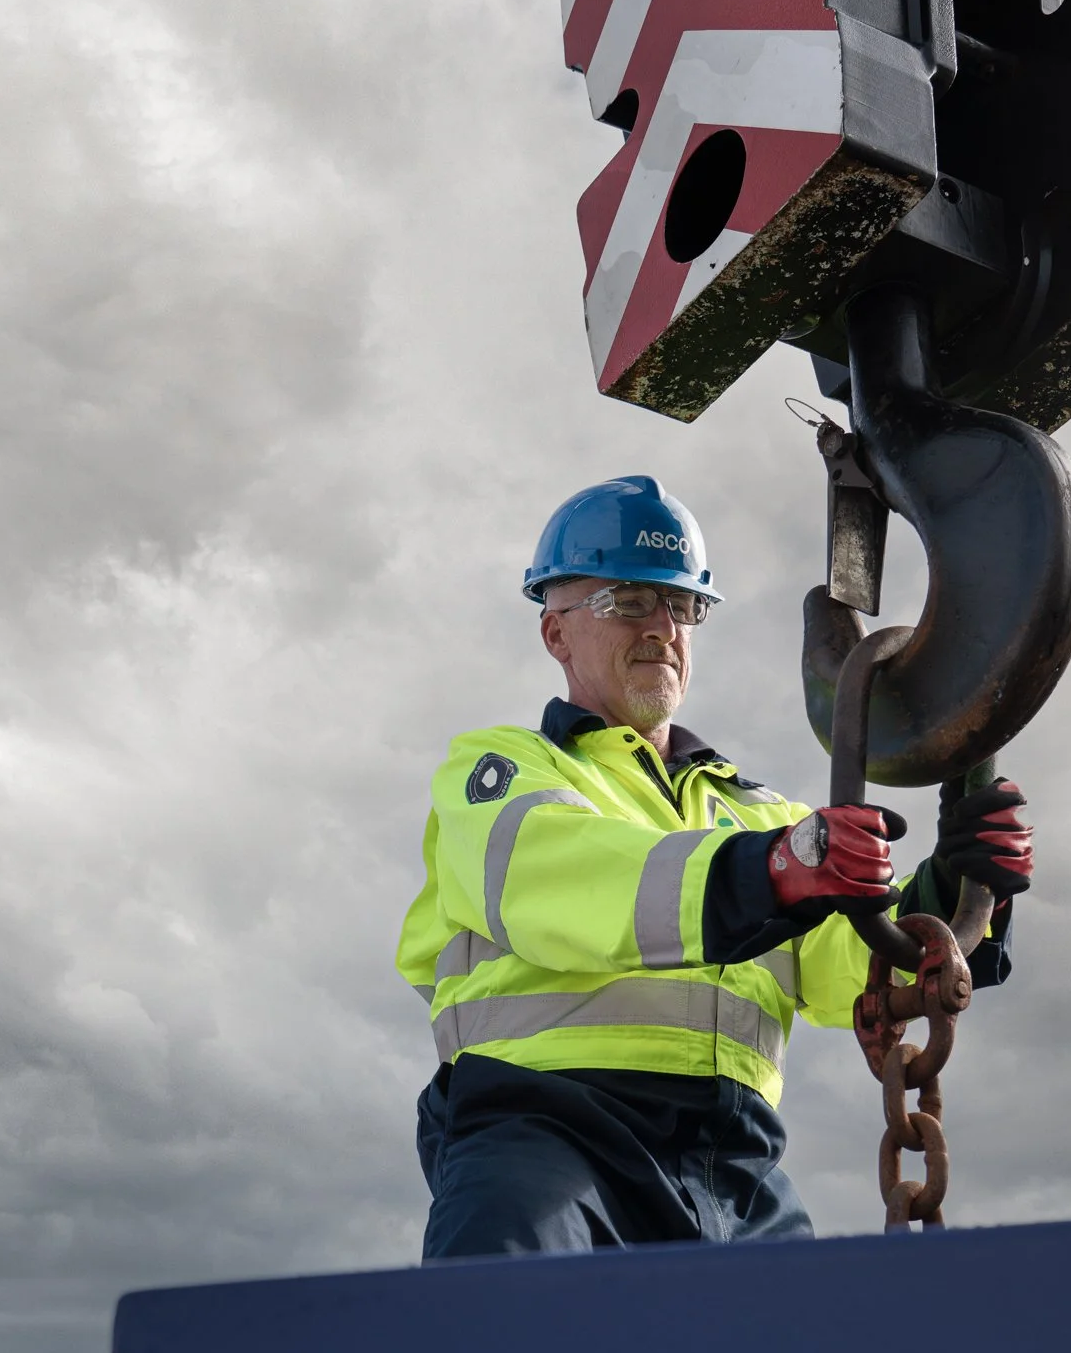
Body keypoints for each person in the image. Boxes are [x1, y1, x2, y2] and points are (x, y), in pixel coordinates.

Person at [395, 476, 1034, 1258]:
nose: (664, 627)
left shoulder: (761, 815)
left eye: (682, 605)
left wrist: (956, 894)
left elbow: (847, 973)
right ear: (555, 632)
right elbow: (561, 879)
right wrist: (772, 871)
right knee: (509, 1334)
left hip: (734, 1166)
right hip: (546, 1136)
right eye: (630, 600)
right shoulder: (502, 770)